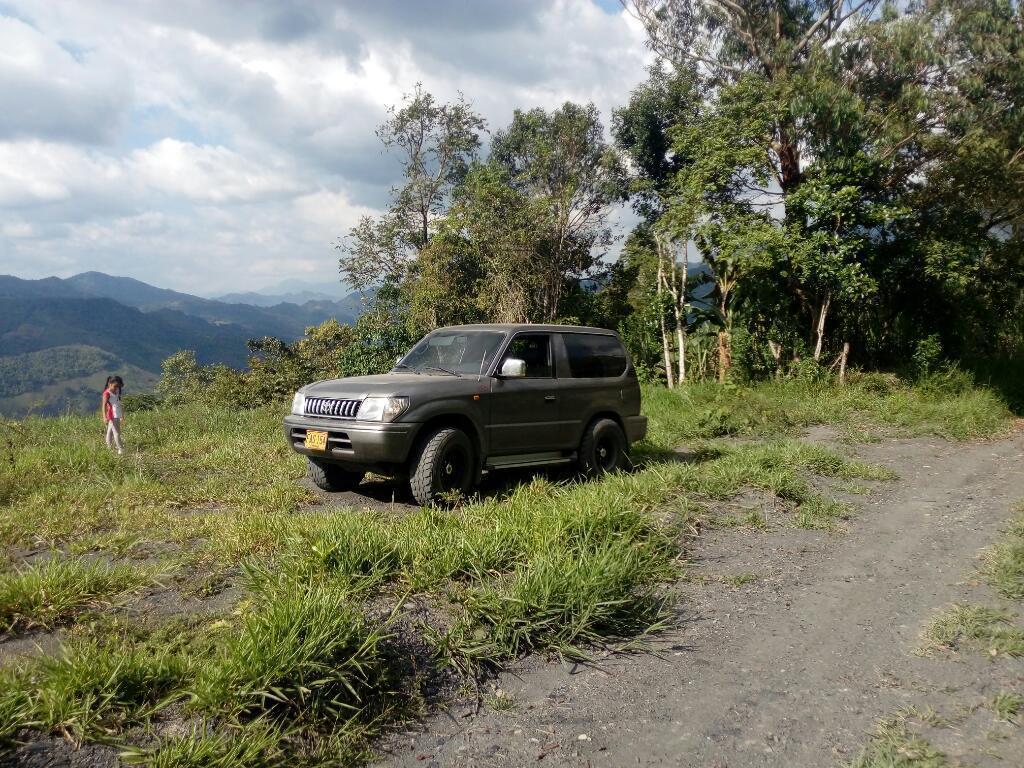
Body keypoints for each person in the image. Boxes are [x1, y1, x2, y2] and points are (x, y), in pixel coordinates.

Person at [101, 376, 125, 455]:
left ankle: (109, 448)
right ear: (109, 384)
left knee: (110, 432)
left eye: (118, 386)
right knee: (117, 433)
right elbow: (104, 405)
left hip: (117, 413)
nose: (116, 388)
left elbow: (118, 403)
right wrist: (104, 417)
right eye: (115, 386)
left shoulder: (117, 391)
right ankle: (121, 449)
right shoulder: (107, 393)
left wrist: (122, 415)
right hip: (112, 415)